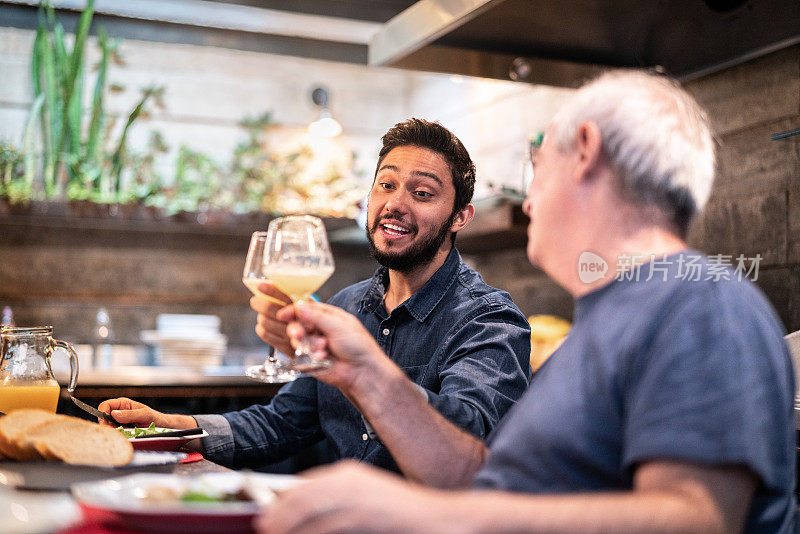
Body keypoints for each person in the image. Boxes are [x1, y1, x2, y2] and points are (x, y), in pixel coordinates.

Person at [255, 71, 796, 533]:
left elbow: (699, 520)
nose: (529, 199)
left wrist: (434, 516)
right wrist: (363, 373)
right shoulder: (605, 328)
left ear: (585, 149)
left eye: (537, 167)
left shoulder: (698, 303)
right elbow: (486, 484)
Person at [99, 118, 532, 475]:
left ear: (460, 217)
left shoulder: (489, 320)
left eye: (422, 193)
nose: (396, 203)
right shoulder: (347, 305)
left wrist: (364, 371)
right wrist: (172, 428)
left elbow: (468, 452)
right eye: (386, 185)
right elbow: (284, 422)